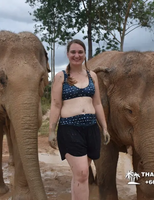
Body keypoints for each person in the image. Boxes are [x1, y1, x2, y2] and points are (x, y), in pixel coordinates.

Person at [48, 39, 110, 200]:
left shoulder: (92, 76)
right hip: (70, 128)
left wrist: (104, 127)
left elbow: (97, 103)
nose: (77, 55)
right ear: (68, 54)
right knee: (82, 173)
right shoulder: (61, 77)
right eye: (73, 52)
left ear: (85, 54)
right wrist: (51, 131)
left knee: (80, 175)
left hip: (91, 128)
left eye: (80, 52)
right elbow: (55, 105)